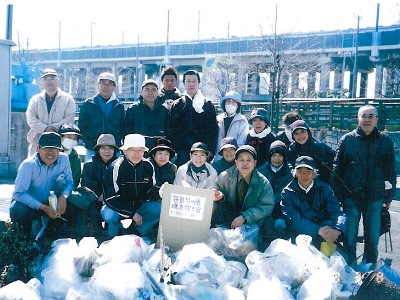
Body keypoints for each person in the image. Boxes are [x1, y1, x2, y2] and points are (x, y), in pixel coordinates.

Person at [331, 105, 396, 267]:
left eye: (371, 116)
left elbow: (390, 171)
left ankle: (371, 271)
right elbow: (336, 170)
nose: (367, 119)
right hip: (351, 196)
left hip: (375, 197)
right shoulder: (347, 140)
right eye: (364, 116)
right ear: (357, 119)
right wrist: (337, 197)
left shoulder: (385, 141)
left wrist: (388, 197)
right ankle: (350, 269)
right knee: (350, 236)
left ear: (377, 120)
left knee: (372, 237)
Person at [9, 132, 75, 238]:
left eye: (55, 149)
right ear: (38, 148)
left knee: (75, 203)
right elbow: (19, 194)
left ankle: (50, 241)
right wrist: (43, 207)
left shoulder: (64, 159)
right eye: (46, 148)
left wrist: (64, 195)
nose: (51, 153)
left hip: (52, 203)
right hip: (31, 205)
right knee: (17, 209)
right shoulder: (28, 165)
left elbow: (70, 182)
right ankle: (22, 243)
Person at [281, 156, 346, 249]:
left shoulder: (325, 189)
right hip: (300, 235)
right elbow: (293, 218)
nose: (304, 175)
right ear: (295, 174)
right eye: (300, 172)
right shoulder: (287, 192)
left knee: (337, 258)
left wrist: (338, 230)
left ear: (314, 174)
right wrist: (317, 230)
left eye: (308, 172)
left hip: (324, 233)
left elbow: (337, 212)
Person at [101, 134, 156, 238]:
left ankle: (137, 232)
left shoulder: (148, 166)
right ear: (124, 151)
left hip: (140, 206)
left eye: (140, 150)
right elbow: (110, 198)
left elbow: (150, 191)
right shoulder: (115, 167)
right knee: (109, 215)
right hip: (118, 207)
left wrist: (161, 192)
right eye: (133, 150)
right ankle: (113, 236)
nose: (137, 154)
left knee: (161, 207)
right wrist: (132, 213)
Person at [212, 145, 275, 229]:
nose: (245, 163)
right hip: (227, 219)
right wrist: (220, 196)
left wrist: (246, 216)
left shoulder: (263, 182)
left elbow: (267, 205)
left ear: (255, 163)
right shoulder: (225, 176)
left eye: (249, 160)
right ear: (236, 162)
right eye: (241, 160)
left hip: (250, 221)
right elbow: (216, 192)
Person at [165, 70, 218, 167]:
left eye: (194, 81)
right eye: (188, 81)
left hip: (202, 151)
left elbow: (213, 130)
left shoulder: (207, 104)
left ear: (199, 83)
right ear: (184, 83)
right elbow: (171, 130)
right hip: (182, 152)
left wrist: (210, 150)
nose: (191, 84)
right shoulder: (177, 105)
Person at [26, 68, 76, 157]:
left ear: (58, 80)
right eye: (46, 79)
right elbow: (31, 118)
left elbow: (69, 118)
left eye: (52, 78)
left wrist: (53, 128)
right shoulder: (35, 100)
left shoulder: (68, 99)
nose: (49, 81)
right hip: (37, 143)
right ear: (41, 82)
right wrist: (45, 128)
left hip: (60, 144)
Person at [78, 72, 125, 161]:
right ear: (98, 85)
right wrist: (89, 140)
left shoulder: (119, 106)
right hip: (92, 148)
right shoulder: (88, 104)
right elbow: (82, 126)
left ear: (114, 87)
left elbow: (122, 127)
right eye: (103, 83)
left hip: (113, 149)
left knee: (114, 173)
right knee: (91, 173)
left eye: (109, 84)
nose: (106, 87)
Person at [258, 140, 293, 234]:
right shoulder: (261, 171)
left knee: (280, 225)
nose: (276, 159)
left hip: (281, 212)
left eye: (280, 155)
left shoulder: (291, 173)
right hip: (263, 211)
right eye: (274, 155)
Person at [125, 79, 169, 150]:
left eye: (154, 90)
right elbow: (127, 132)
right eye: (147, 89)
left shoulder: (164, 111)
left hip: (159, 150)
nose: (150, 93)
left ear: (158, 92)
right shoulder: (133, 110)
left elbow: (168, 133)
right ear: (141, 92)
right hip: (138, 150)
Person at [287, 119, 334, 184]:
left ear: (308, 132)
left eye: (303, 131)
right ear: (293, 136)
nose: (300, 136)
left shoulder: (320, 147)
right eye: (296, 133)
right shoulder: (292, 148)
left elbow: (330, 166)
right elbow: (290, 165)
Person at [81, 134, 119, 211]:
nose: (107, 151)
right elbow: (87, 186)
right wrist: (99, 196)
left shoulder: (119, 165)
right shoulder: (89, 165)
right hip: (94, 201)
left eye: (110, 148)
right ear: (98, 150)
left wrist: (106, 196)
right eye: (103, 148)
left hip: (114, 200)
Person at [214, 91, 249, 162]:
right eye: (228, 101)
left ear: (237, 105)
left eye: (234, 101)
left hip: (233, 158)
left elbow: (241, 142)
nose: (230, 104)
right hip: (218, 157)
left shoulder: (242, 120)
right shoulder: (218, 119)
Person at [58, 124, 82, 188]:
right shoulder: (53, 152)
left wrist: (66, 192)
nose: (72, 140)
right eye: (69, 137)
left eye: (75, 138)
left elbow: (76, 179)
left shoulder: (75, 157)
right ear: (60, 137)